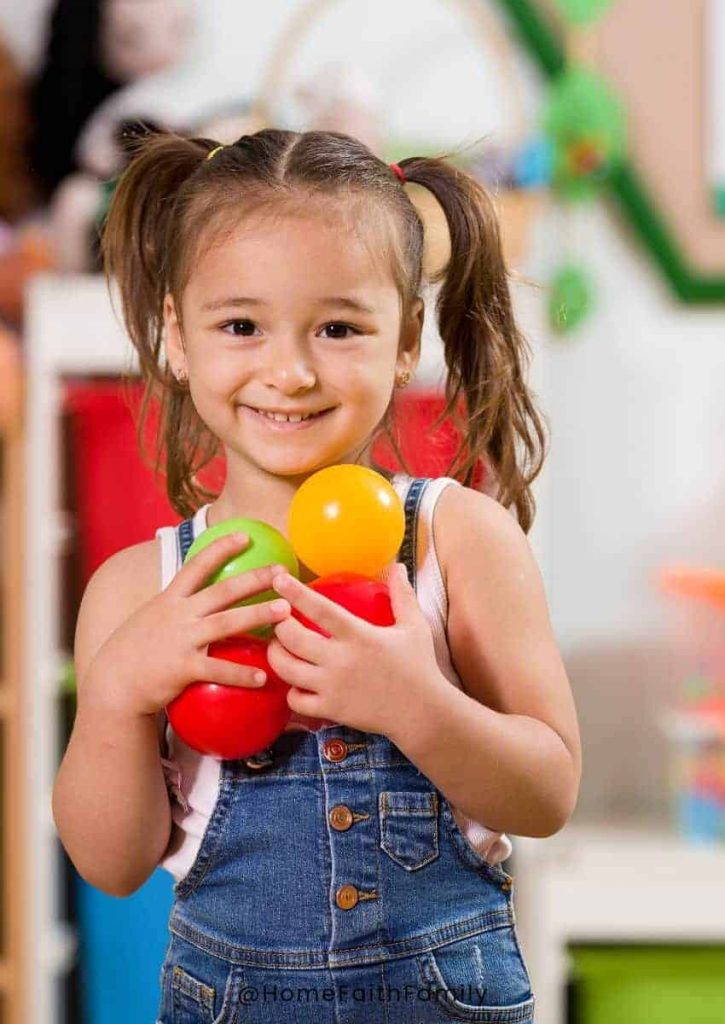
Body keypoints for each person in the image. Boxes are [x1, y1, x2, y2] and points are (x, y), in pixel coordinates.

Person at [52, 127, 581, 1024]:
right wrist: (115, 697)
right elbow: (112, 863)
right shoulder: (137, 589)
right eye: (240, 326)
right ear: (177, 336)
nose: (289, 372)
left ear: (406, 337)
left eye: (338, 328)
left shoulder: (459, 541)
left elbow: (546, 793)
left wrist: (417, 702)